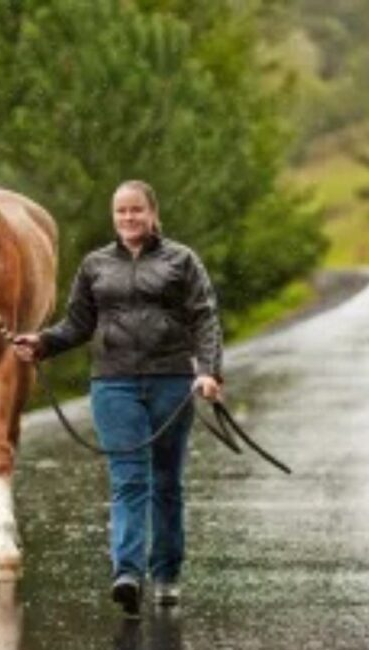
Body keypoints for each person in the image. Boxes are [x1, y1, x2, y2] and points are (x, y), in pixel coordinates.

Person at [13, 180, 224, 618]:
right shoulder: (95, 265)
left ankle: (166, 573)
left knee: (166, 482)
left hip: (170, 382)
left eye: (136, 211)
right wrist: (43, 343)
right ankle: (127, 574)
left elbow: (205, 317)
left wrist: (207, 372)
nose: (128, 219)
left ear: (152, 213)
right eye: (121, 212)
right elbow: (77, 324)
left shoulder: (181, 261)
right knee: (129, 479)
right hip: (114, 384)